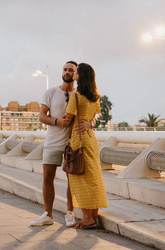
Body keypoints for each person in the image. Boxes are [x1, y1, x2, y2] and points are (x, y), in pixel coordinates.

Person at [30, 61, 93, 227]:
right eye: (65, 69)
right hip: (52, 142)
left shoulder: (80, 95)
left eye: (71, 70)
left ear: (76, 74)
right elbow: (42, 117)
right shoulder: (51, 92)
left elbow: (91, 115)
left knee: (72, 180)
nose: (67, 72)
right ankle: (47, 214)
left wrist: (90, 123)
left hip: (72, 144)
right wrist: (57, 121)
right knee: (47, 176)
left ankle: (70, 213)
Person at [64, 63, 108, 229]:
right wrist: (90, 123)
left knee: (79, 179)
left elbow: (68, 118)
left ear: (80, 76)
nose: (73, 74)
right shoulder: (95, 97)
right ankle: (93, 216)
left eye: (75, 72)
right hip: (91, 140)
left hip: (78, 140)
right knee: (94, 178)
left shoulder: (76, 96)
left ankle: (88, 218)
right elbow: (93, 118)